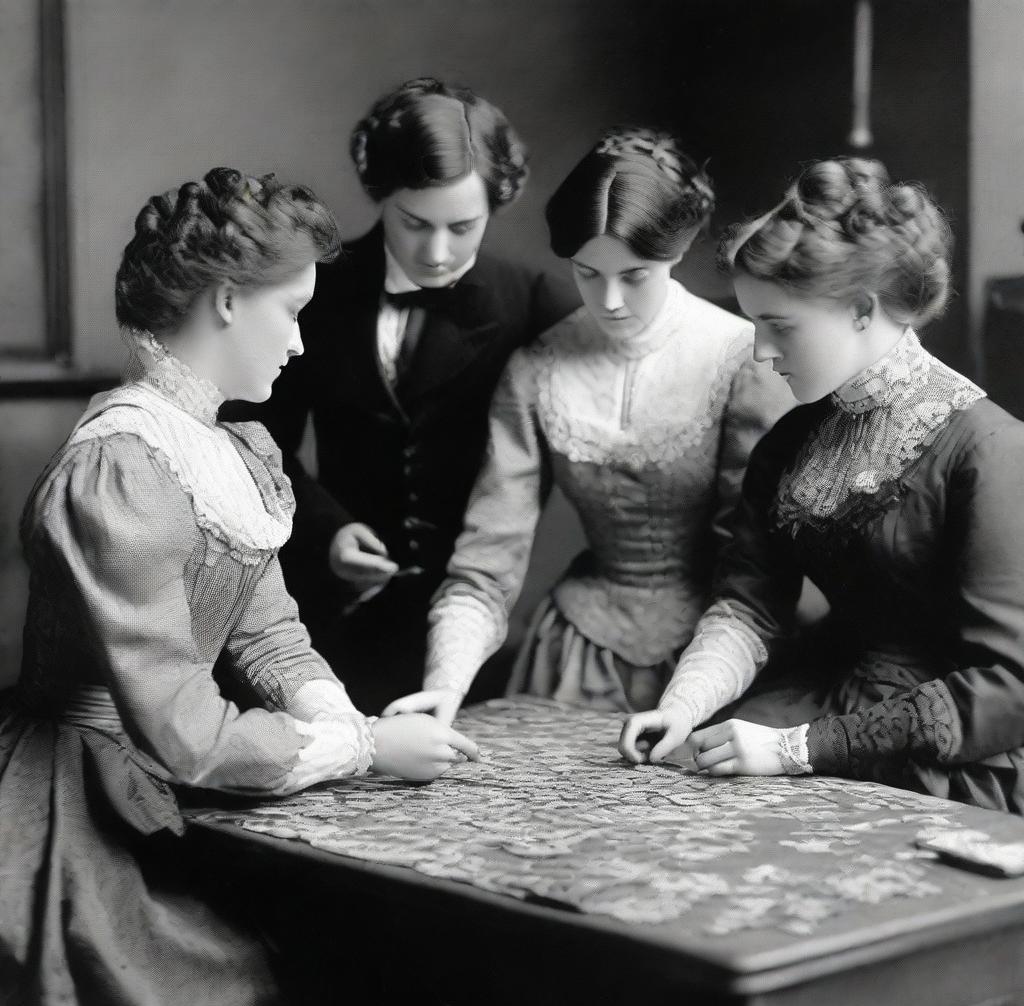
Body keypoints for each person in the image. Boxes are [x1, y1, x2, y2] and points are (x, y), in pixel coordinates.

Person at [0, 167, 478, 1006]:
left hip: (178, 770)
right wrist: (366, 748)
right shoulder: (121, 465)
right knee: (241, 984)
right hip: (78, 796)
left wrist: (342, 721)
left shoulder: (227, 452)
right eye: (292, 312)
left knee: (365, 952)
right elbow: (183, 729)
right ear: (226, 300)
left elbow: (269, 639)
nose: (299, 344)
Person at [619, 157, 1024, 814]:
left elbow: (1013, 684)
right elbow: (749, 605)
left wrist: (801, 749)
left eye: (779, 326)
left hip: (950, 747)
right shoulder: (792, 439)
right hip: (815, 698)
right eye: (753, 323)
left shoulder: (988, 450)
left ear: (863, 309)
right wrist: (682, 706)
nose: (760, 352)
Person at [384, 128, 793, 727]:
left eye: (635, 276)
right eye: (586, 273)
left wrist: (693, 694)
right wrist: (446, 685)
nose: (610, 300)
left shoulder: (738, 358)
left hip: (721, 652)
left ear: (674, 254)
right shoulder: (538, 365)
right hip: (577, 655)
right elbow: (489, 555)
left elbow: (756, 566)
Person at [226, 78, 578, 714]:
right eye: (414, 223)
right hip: (317, 618)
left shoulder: (534, 302)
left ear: (495, 209)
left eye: (464, 227)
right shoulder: (314, 289)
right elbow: (251, 437)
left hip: (466, 632)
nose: (438, 252)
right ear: (380, 196)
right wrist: (327, 531)